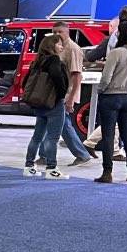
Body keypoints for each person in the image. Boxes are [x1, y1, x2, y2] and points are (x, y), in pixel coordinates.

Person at [94, 17, 127, 184]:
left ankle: (107, 172)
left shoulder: (116, 53)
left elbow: (106, 77)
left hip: (111, 96)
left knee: (108, 135)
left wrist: (101, 90)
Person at [21, 31, 71, 179]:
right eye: (59, 44)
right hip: (53, 103)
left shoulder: (37, 61)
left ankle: (29, 166)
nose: (61, 47)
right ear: (52, 45)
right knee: (53, 138)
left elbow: (25, 82)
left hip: (39, 103)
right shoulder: (54, 60)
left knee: (37, 136)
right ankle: (51, 168)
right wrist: (61, 95)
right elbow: (57, 77)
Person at [51, 27, 93, 166]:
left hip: (66, 94)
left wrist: (70, 98)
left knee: (64, 124)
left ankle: (82, 154)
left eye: (60, 32)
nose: (57, 34)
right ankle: (45, 154)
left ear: (67, 32)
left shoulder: (73, 49)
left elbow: (77, 75)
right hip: (55, 93)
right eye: (54, 32)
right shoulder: (57, 47)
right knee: (50, 123)